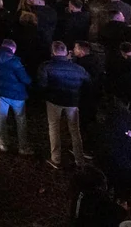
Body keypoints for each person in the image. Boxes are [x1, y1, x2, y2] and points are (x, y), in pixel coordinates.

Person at [38, 41, 91, 169]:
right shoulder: (78, 69)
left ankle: (56, 158)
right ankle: (79, 159)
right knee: (74, 129)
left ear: (53, 52)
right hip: (72, 102)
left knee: (54, 127)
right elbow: (88, 82)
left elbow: (42, 85)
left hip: (54, 101)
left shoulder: (46, 67)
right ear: (66, 52)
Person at [0, 39, 33, 155]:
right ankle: (23, 147)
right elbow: (25, 79)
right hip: (16, 95)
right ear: (12, 49)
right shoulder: (14, 62)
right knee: (20, 119)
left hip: (1, 92)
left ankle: (3, 144)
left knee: (1, 116)